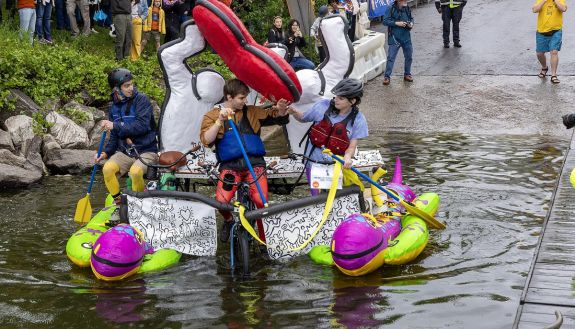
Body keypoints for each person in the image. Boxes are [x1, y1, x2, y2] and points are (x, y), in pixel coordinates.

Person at [199, 79, 290, 242]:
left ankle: (263, 236)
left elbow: (276, 117)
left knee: (261, 202)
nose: (245, 101)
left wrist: (282, 110)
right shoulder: (212, 115)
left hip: (254, 164)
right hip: (230, 166)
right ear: (229, 96)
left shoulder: (254, 112)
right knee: (221, 201)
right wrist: (220, 121)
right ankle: (228, 220)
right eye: (241, 98)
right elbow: (206, 139)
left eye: (245, 97)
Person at [288, 78, 368, 196]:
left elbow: (351, 147)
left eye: (341, 98)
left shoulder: (359, 120)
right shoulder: (322, 106)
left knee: (334, 197)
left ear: (352, 101)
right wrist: (294, 112)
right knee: (317, 197)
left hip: (335, 165)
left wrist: (347, 157)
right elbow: (303, 118)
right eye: (336, 96)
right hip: (313, 162)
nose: (336, 100)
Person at [95, 68, 159, 205]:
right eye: (126, 86)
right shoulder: (113, 106)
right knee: (107, 169)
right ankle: (118, 204)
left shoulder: (141, 100)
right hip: (126, 152)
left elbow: (142, 126)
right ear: (116, 89)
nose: (131, 88)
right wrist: (106, 153)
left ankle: (138, 205)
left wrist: (115, 126)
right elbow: (114, 135)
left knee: (135, 172)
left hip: (147, 150)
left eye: (131, 84)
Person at [532, 0, 567, 84]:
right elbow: (534, 10)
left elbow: (564, 9)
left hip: (556, 30)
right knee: (540, 53)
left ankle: (553, 75)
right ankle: (544, 67)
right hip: (542, 31)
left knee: (554, 52)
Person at [382, 0, 414, 85]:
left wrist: (411, 24)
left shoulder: (407, 7)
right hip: (394, 37)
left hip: (406, 37)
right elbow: (385, 21)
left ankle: (407, 74)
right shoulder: (390, 8)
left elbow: (411, 18)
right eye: (404, 0)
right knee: (391, 58)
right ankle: (387, 77)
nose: (406, 1)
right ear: (399, 1)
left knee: (409, 57)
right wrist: (397, 23)